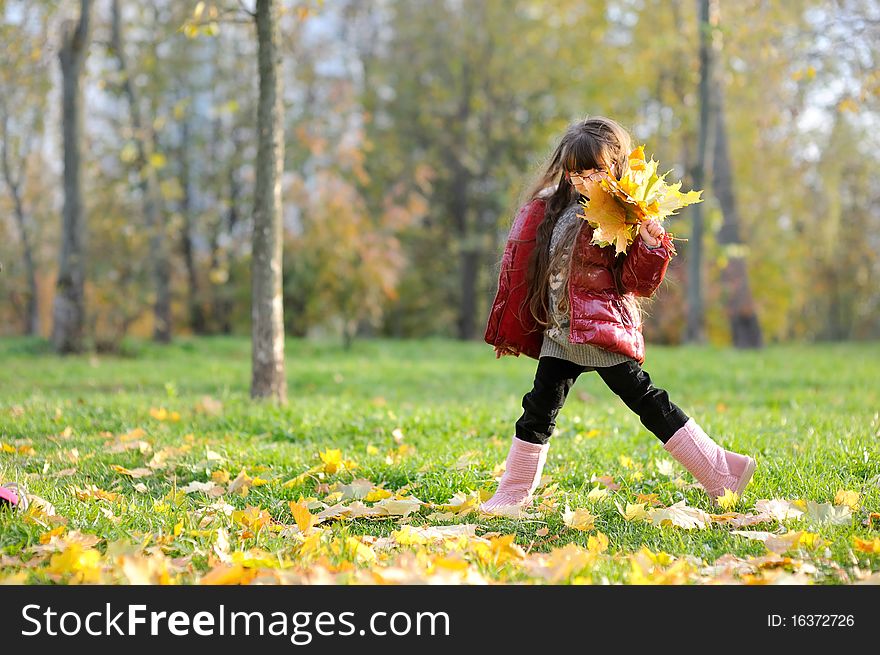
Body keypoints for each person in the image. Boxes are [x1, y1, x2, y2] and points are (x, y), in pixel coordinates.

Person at [481, 116, 756, 513]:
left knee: (648, 402)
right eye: (574, 172)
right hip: (562, 335)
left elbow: (635, 282)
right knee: (538, 409)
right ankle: (513, 492)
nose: (582, 180)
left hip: (601, 332)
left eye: (593, 170)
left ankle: (721, 468)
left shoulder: (622, 213)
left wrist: (650, 246)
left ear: (615, 167)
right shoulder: (559, 207)